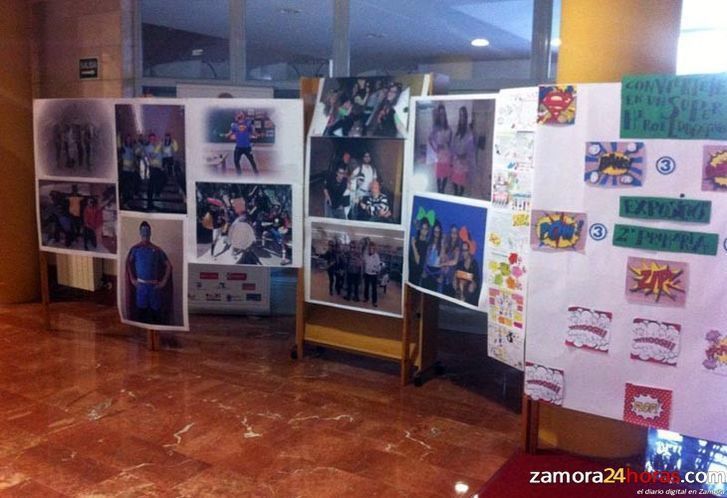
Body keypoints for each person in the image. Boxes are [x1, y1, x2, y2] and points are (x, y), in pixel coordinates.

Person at [124, 221, 174, 325]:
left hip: (154, 287)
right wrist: (132, 279)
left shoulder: (157, 250)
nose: (145, 234)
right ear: (140, 232)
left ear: (150, 233)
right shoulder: (135, 249)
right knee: (141, 313)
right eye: (143, 231)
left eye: (147, 231)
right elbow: (128, 262)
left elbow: (169, 265)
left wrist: (164, 282)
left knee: (156, 314)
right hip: (141, 287)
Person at [451, 106, 476, 196]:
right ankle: (456, 195)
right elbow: (453, 146)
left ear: (466, 117)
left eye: (463, 116)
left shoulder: (469, 134)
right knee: (454, 183)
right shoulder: (457, 132)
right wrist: (454, 156)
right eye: (460, 115)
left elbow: (471, 151)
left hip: (463, 163)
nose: (461, 118)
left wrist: (464, 156)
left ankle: (459, 195)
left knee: (461, 185)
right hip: (456, 162)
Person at [429, 104, 452, 194]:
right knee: (439, 173)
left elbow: (450, 142)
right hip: (439, 154)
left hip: (446, 153)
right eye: (440, 114)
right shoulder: (435, 127)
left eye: (443, 113)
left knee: (445, 173)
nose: (442, 115)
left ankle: (443, 189)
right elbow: (430, 139)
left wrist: (447, 146)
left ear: (445, 114)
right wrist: (435, 149)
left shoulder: (448, 127)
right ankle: (439, 190)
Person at [348, 151, 378, 219]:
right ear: (363, 158)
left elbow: (374, 181)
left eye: (368, 156)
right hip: (360, 193)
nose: (367, 158)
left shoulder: (373, 169)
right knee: (357, 211)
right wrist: (350, 186)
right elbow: (350, 177)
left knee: (367, 211)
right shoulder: (360, 168)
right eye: (365, 156)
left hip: (369, 194)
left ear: (370, 158)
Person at [455, 241, 481, 306]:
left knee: (471, 287)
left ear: (469, 251)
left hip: (470, 289)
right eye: (462, 250)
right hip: (461, 289)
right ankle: (461, 297)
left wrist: (471, 282)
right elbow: (456, 275)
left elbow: (476, 279)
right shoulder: (460, 263)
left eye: (465, 250)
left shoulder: (474, 264)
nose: (464, 253)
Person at [440, 224, 462, 296]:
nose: (453, 235)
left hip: (453, 277)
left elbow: (455, 262)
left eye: (455, 233)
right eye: (452, 232)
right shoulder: (448, 244)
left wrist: (444, 264)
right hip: (445, 275)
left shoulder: (458, 246)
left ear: (457, 234)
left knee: (451, 294)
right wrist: (443, 243)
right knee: (444, 294)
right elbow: (442, 256)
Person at [421, 220, 443, 291]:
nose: (436, 234)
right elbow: (426, 258)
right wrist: (424, 270)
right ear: (433, 232)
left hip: (437, 271)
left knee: (432, 294)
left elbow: (443, 261)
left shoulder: (442, 244)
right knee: (424, 291)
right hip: (427, 269)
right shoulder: (429, 243)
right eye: (435, 232)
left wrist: (441, 276)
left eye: (438, 232)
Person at [408, 218, 430, 286]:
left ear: (428, 231)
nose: (423, 231)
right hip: (409, 268)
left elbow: (418, 261)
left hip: (416, 271)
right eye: (422, 228)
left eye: (426, 229)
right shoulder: (416, 238)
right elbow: (414, 221)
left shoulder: (425, 244)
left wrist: (413, 245)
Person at [363, 241, 381, 307]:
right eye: (370, 248)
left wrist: (375, 270)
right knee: (366, 287)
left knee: (374, 289)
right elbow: (364, 262)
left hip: (373, 274)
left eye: (373, 248)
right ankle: (366, 298)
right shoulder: (365, 254)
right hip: (367, 273)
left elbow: (378, 266)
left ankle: (374, 302)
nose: (371, 250)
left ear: (375, 249)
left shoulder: (376, 256)